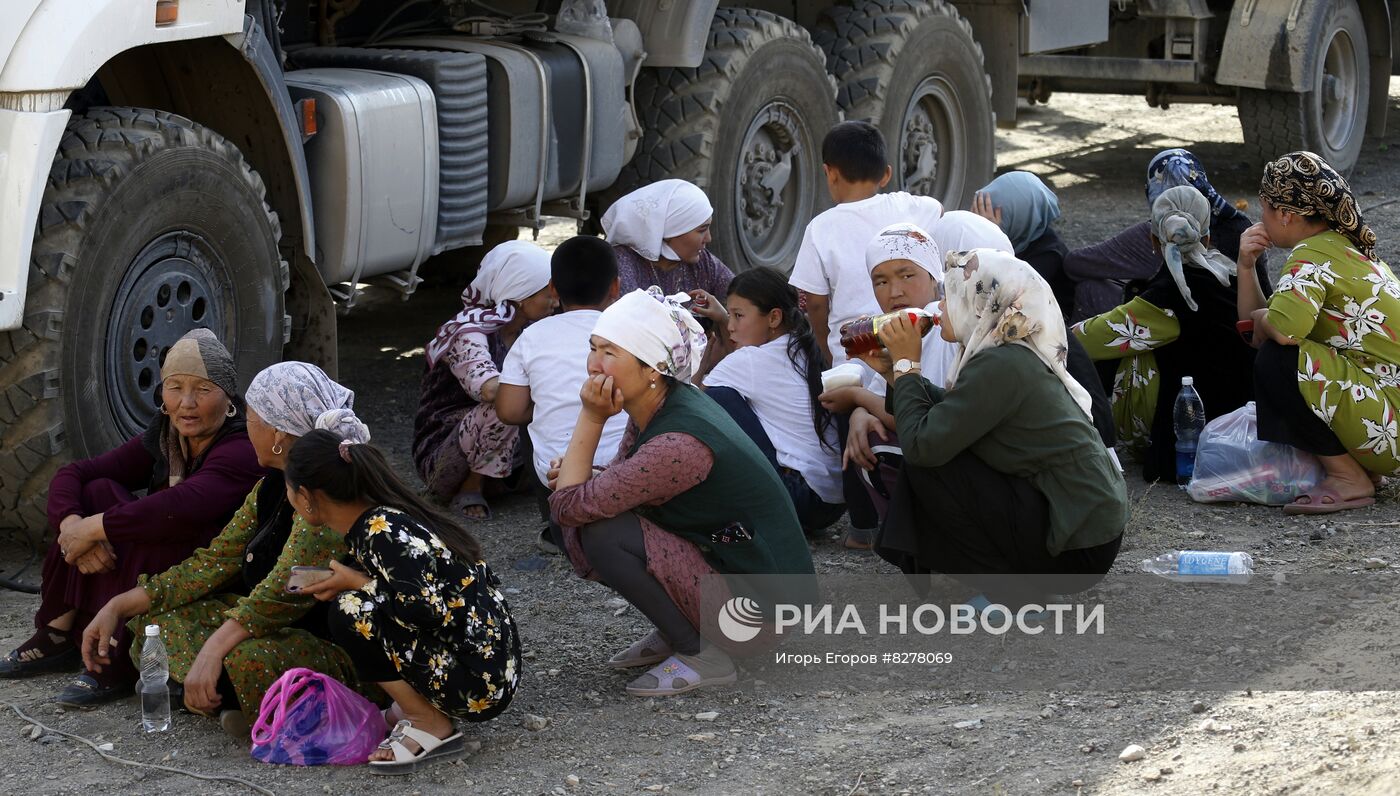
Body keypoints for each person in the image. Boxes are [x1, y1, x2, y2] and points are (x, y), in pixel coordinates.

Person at [79, 362, 371, 736]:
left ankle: (254, 698)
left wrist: (215, 648)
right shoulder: (270, 486)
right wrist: (117, 605)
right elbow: (213, 562)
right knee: (159, 625)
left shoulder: (326, 492)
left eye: (252, 418)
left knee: (243, 657)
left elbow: (286, 590)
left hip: (333, 641)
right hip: (268, 625)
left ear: (278, 433)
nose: (245, 428)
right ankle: (231, 697)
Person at [549, 288, 815, 697]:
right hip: (739, 576)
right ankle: (682, 629)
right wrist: (581, 475)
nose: (593, 365)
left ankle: (700, 652)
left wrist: (590, 418)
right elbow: (617, 480)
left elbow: (569, 507)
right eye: (593, 348)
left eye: (609, 353)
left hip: (756, 617)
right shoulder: (667, 400)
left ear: (653, 368)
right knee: (597, 513)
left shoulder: (678, 442)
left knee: (599, 531)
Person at [0, 329, 262, 705]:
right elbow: (74, 474)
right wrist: (72, 525)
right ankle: (58, 633)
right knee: (97, 492)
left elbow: (181, 506)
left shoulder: (240, 447)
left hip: (212, 569)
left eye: (203, 390)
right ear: (162, 396)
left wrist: (95, 526)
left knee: (142, 529)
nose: (187, 403)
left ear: (228, 397)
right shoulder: (168, 434)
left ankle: (112, 665)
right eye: (175, 388)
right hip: (166, 549)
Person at [868, 248, 1127, 600]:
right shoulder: (1004, 355)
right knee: (938, 447)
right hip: (1083, 531)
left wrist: (907, 365)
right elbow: (953, 415)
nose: (941, 308)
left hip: (1078, 548)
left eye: (951, 296)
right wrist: (892, 370)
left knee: (928, 464)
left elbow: (922, 446)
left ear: (982, 303)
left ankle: (1014, 592)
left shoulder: (1000, 365)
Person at [284, 430, 521, 772]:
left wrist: (357, 583)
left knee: (349, 611)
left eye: (289, 488)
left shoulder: (380, 533)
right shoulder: (382, 519)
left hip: (482, 684)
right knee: (356, 601)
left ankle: (428, 721)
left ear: (305, 496)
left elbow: (424, 611)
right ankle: (412, 709)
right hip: (490, 665)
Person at [1239, 151, 1400, 514]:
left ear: (1286, 214)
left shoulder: (1312, 256)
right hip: (1388, 418)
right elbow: (1256, 328)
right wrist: (1246, 266)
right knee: (1283, 351)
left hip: (1390, 428)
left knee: (1279, 362)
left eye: (1265, 208)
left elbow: (1277, 334)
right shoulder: (1343, 247)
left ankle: (1348, 478)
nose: (1260, 218)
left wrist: (1267, 318)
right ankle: (1362, 470)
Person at [1074, 185, 1263, 482]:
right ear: (1208, 237)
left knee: (1117, 351)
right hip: (1247, 425)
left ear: (1153, 240)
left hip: (1196, 437)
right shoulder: (1229, 274)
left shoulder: (1168, 294)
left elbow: (1087, 339)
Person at [815, 222, 958, 548]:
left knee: (877, 440)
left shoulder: (946, 325)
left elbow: (924, 417)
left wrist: (857, 398)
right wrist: (860, 411)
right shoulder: (897, 327)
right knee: (865, 431)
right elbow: (897, 400)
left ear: (934, 275)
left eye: (907, 275)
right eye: (881, 281)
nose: (894, 291)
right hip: (940, 447)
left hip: (964, 454)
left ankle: (933, 542)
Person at [933, 211, 1117, 448]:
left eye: (950, 291)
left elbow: (932, 442)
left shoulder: (1001, 357)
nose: (940, 303)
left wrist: (904, 366)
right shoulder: (1019, 324)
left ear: (974, 290)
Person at [496, 236, 629, 552]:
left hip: (559, 476)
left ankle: (557, 523)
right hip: (627, 471)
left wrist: (550, 403)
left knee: (534, 425)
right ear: (615, 287)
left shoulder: (533, 336)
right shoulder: (629, 331)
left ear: (553, 289)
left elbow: (509, 411)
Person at [414, 240, 557, 520]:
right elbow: (488, 388)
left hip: (503, 446)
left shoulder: (532, 328)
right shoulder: (467, 331)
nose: (556, 300)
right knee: (504, 405)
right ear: (521, 295)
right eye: (547, 292)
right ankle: (469, 486)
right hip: (446, 448)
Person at [699, 267, 845, 533]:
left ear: (774, 317)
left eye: (738, 316)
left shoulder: (749, 361)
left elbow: (689, 403)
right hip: (831, 504)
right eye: (729, 316)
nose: (730, 326)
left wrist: (700, 363)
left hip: (798, 499)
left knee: (716, 399)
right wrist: (724, 318)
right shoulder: (802, 345)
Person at [789, 120, 944, 368]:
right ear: (886, 175)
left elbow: (816, 305)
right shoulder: (909, 205)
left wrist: (828, 354)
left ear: (829, 173)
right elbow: (939, 211)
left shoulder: (819, 228)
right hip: (915, 348)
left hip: (854, 358)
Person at [1063, 148, 1268, 322]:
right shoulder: (1242, 227)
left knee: (1090, 288)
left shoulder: (1157, 233)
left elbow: (1075, 264)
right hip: (1246, 332)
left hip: (1171, 337)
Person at [602, 178, 734, 334]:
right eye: (701, 230)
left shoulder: (704, 263)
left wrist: (724, 318)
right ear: (671, 229)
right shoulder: (624, 263)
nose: (708, 239)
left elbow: (745, 301)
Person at [972, 171, 1073, 317]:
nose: (981, 229)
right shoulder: (1022, 239)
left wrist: (993, 241)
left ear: (1017, 217)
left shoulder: (1049, 256)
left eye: (989, 220)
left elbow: (998, 301)